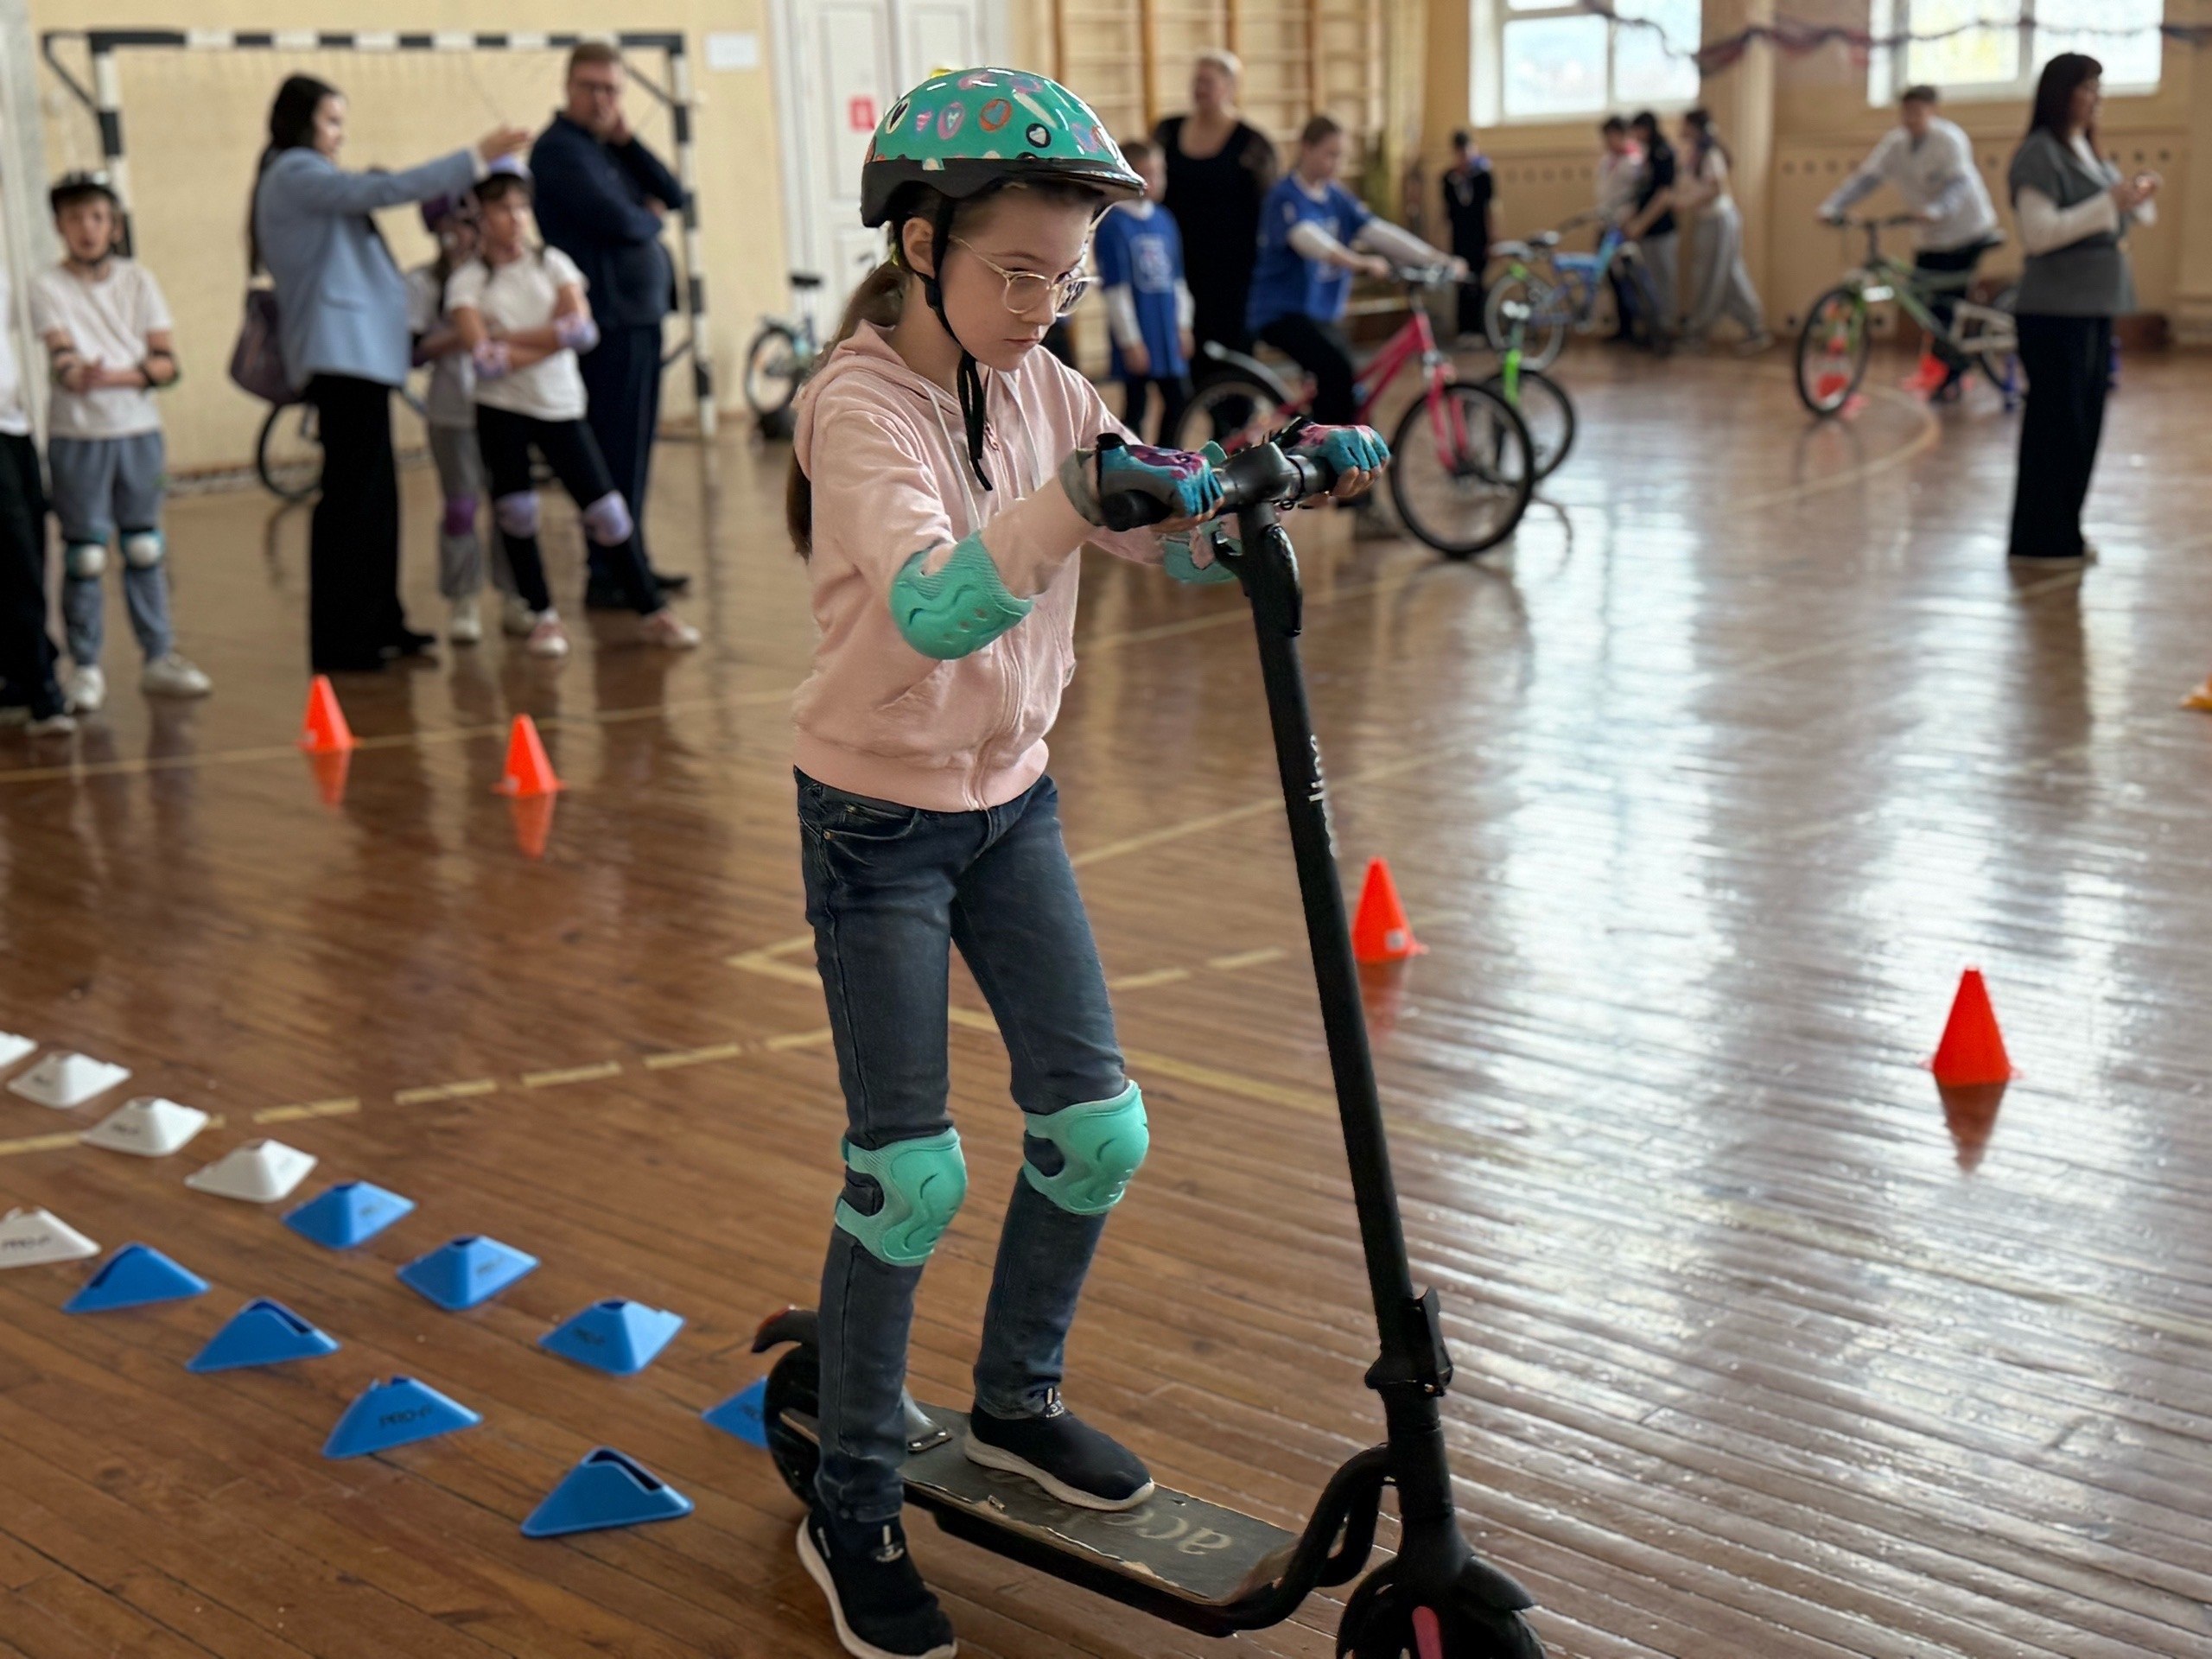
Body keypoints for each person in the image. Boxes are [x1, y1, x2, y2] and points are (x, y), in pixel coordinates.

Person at [783, 67, 1385, 1659]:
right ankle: (850, 1498)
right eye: (1016, 275)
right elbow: (933, 609)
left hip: (1012, 806)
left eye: (1068, 279)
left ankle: (1013, 1402)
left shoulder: (1046, 384)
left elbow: (1151, 523)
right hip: (876, 822)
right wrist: (1071, 503)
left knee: (1096, 1131)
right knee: (909, 1176)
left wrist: (1261, 486)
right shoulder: (859, 407)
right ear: (921, 245)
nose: (1047, 310)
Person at [251, 74, 529, 672]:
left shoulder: (306, 179)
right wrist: (475, 156)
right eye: (329, 122)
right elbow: (388, 188)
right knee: (351, 501)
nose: (338, 135)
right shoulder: (296, 173)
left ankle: (382, 621)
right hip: (339, 357)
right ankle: (343, 639)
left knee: (376, 497)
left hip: (361, 358)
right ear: (299, 123)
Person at [445, 166, 700, 657]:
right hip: (501, 411)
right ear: (481, 219)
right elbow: (486, 361)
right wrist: (549, 338)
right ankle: (542, 614)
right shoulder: (468, 281)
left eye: (521, 207)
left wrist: (512, 340)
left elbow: (581, 333)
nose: (515, 219)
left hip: (559, 405)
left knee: (607, 511)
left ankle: (651, 608)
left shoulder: (553, 263)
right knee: (516, 512)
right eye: (502, 209)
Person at [29, 173, 210, 712]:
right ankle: (84, 667)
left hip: (138, 432)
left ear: (114, 225)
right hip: (78, 434)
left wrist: (119, 376)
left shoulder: (139, 282)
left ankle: (159, 655)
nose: (87, 229)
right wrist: (76, 372)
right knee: (84, 553)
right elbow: (60, 355)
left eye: (97, 217)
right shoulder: (47, 286)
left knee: (144, 545)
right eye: (75, 218)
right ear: (59, 226)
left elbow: (167, 362)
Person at [530, 41, 691, 609]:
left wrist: (627, 140)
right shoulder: (558, 152)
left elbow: (671, 194)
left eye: (611, 89)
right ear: (568, 89)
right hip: (609, 322)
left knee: (636, 450)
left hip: (639, 316)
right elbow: (617, 219)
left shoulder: (608, 148)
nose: (601, 99)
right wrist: (648, 221)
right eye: (590, 87)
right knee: (614, 449)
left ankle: (632, 562)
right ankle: (609, 571)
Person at [2005, 54, 2157, 568]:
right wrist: (2108, 204)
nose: (2096, 98)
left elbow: (2104, 217)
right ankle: (2038, 536)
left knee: (2084, 423)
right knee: (2057, 423)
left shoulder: (2088, 152)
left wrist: (2130, 199)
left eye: (2099, 88)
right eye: (2086, 87)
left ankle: (2065, 529)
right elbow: (2040, 233)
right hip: (2054, 310)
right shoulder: (2040, 154)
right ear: (2061, 93)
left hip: (2093, 305)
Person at [1247, 115, 1465, 428]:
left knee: (1347, 385)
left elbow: (1380, 232)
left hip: (1320, 315)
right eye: (1330, 154)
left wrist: (1436, 258)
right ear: (1306, 149)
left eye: (1341, 156)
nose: (1336, 163)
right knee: (1337, 369)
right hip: (1281, 313)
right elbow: (1308, 239)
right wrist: (1358, 262)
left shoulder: (1337, 198)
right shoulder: (1285, 196)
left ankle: (1336, 443)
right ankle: (1331, 458)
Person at [1820, 85, 2001, 396]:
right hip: (1929, 236)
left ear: (1933, 111)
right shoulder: (1896, 144)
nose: (1911, 118)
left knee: (1947, 306)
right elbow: (1867, 177)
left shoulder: (1949, 140)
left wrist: (1938, 209)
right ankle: (1944, 367)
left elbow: (1959, 183)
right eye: (1907, 111)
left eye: (1918, 111)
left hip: (1965, 231)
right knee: (1925, 306)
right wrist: (1834, 205)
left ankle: (1953, 375)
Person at [406, 189, 523, 644]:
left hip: (506, 402)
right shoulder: (423, 284)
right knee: (461, 506)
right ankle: (463, 599)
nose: (465, 234)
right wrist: (463, 334)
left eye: (472, 223)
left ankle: (517, 596)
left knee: (512, 504)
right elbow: (413, 350)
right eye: (454, 226)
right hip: (453, 409)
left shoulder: (501, 275)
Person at [1153, 50, 1277, 358]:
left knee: (1231, 351)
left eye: (1208, 81)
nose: (1200, 89)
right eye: (1197, 81)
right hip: (1178, 265)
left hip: (1231, 275)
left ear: (1231, 86)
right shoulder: (1167, 131)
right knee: (1186, 357)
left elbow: (1266, 211)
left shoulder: (1252, 144)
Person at [0, 264, 71, 737]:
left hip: (14, 422)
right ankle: (42, 687)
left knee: (32, 547)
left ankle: (23, 680)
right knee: (17, 553)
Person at [1093, 138, 1194, 442]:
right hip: (1141, 332)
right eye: (1149, 172)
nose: (1158, 180)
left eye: (1160, 172)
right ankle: (1129, 465)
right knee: (1136, 407)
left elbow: (1177, 281)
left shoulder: (1164, 219)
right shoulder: (1114, 225)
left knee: (1179, 399)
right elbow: (1116, 292)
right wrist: (1131, 341)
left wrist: (1184, 326)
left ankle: (1168, 456)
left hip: (1166, 330)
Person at [1673, 110, 1770, 353]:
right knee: (1728, 276)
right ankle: (1754, 327)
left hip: (1717, 221)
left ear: (1695, 127)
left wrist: (1686, 203)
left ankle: (1698, 333)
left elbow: (1717, 189)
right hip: (1709, 220)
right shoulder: (1695, 154)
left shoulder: (1710, 154)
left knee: (1708, 276)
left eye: (1685, 124)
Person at [1622, 111, 1679, 344]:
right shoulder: (1645, 154)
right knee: (1648, 282)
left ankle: (1667, 330)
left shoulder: (1662, 152)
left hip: (1661, 230)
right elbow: (1643, 192)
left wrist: (1640, 224)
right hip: (1646, 231)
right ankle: (1653, 329)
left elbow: (1663, 195)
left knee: (1664, 282)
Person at [1441, 129, 1495, 341]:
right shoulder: (1449, 178)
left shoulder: (1483, 175)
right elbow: (1445, 212)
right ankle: (1464, 329)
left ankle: (1480, 329)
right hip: (1459, 236)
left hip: (1480, 235)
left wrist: (1493, 235)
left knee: (1479, 282)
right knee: (1461, 282)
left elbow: (1491, 207)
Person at [1595, 115, 1644, 342]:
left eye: (1610, 136)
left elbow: (1635, 198)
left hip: (1623, 227)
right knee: (1611, 279)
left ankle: (1636, 327)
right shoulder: (1607, 161)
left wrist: (1627, 222)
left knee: (1628, 278)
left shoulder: (1634, 161)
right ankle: (1622, 326)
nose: (1607, 141)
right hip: (1606, 224)